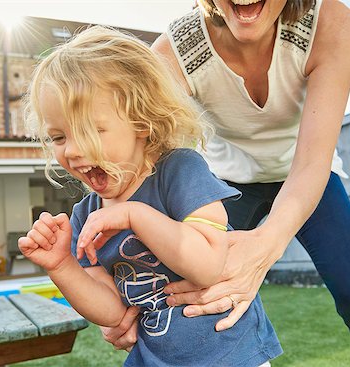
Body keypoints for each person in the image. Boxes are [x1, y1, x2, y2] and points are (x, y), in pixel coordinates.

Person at [100, 0, 350, 365]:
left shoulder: (330, 24)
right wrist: (113, 300)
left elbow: (313, 161)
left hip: (306, 171)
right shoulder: (172, 53)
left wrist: (264, 248)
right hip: (224, 183)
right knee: (197, 290)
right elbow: (137, 161)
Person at [18, 26, 282, 366]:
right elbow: (114, 313)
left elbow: (208, 267)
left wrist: (135, 216)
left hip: (230, 353)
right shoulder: (86, 216)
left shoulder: (179, 172)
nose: (73, 149)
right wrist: (62, 266)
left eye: (90, 130)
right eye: (57, 137)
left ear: (141, 121)